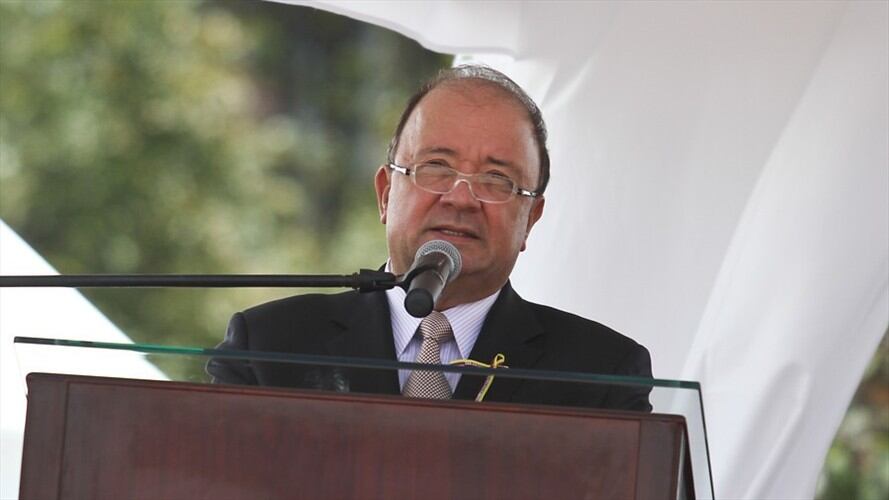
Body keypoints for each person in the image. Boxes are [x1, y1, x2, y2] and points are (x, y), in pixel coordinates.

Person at [207, 65, 653, 411]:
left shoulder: (602, 374)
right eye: (436, 167)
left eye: (497, 179)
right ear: (385, 194)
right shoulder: (269, 346)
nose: (461, 198)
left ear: (531, 218)